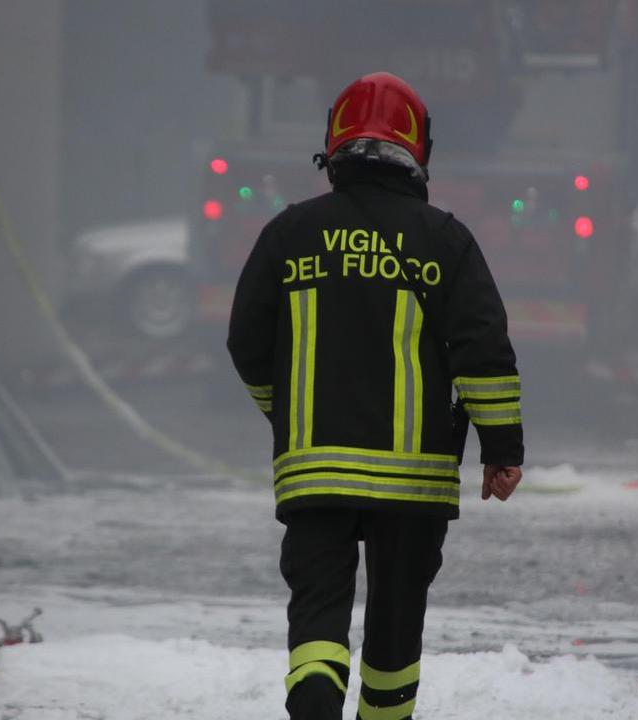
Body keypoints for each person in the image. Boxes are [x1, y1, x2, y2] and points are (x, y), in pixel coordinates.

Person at [226, 71, 525, 720]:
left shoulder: (289, 235)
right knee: (394, 637)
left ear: (332, 147)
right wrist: (501, 448)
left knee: (318, 616)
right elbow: (483, 352)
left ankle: (313, 703)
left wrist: (290, 415)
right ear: (418, 153)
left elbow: (246, 342)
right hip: (412, 484)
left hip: (315, 473)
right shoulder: (445, 240)